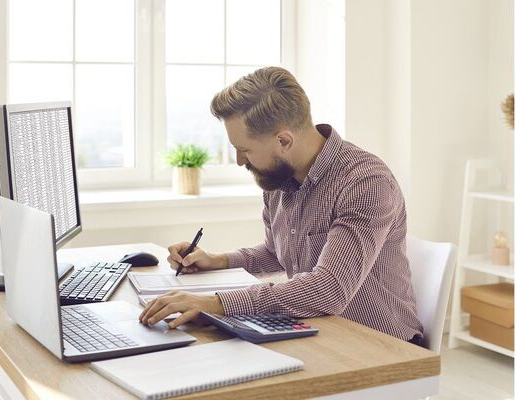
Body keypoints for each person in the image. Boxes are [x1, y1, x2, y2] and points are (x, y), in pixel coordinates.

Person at [139, 66, 424, 344]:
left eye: (245, 150)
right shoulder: (280, 176)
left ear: (284, 141)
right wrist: (218, 260)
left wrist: (214, 304)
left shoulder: (365, 183)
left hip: (381, 346)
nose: (240, 161)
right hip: (320, 328)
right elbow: (279, 252)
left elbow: (329, 289)